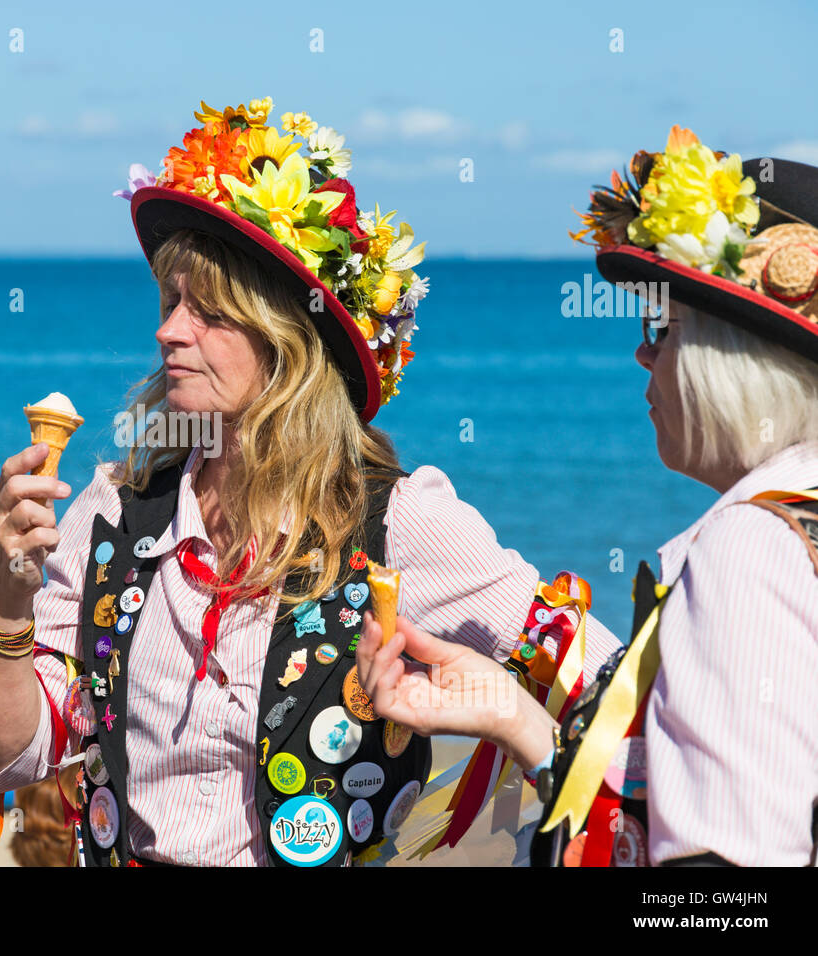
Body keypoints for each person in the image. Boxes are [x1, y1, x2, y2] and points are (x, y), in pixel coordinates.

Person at [0, 98, 622, 867]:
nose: (168, 331)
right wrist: (9, 596)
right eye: (168, 302)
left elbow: (610, 693)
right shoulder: (113, 514)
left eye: (210, 312)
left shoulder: (395, 522)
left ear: (290, 340)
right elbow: (5, 754)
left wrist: (522, 723)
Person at [356, 127, 818, 866]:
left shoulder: (756, 549)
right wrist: (514, 715)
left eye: (662, 328)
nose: (643, 352)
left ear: (733, 360)